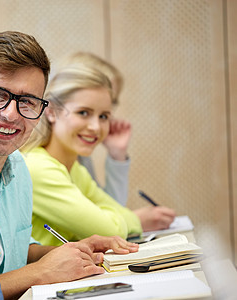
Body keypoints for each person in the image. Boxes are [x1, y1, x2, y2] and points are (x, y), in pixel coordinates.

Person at [0, 30, 139, 299]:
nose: (10, 114)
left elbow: (11, 250)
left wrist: (72, 251)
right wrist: (40, 271)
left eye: (26, 102)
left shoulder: (17, 166)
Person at [54, 52, 176, 230]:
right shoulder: (39, 163)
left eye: (105, 111)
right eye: (85, 111)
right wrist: (137, 220)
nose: (96, 125)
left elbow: (108, 208)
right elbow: (96, 226)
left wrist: (117, 154)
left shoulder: (78, 159)